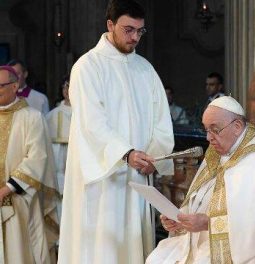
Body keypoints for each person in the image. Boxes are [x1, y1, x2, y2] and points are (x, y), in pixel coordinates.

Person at [57, 0, 174, 263]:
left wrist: (155, 157)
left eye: (140, 31)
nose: (135, 37)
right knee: (102, 247)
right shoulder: (88, 66)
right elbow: (92, 121)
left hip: (139, 174)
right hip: (104, 178)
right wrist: (126, 153)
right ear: (110, 25)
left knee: (133, 244)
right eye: (128, 29)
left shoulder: (145, 69)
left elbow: (162, 122)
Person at [147, 96, 255, 263]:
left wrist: (208, 224)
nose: (208, 138)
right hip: (199, 240)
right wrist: (181, 219)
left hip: (237, 247)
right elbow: (201, 198)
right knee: (156, 259)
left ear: (237, 126)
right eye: (206, 130)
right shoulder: (217, 152)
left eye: (215, 129)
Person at [0, 65, 58, 264]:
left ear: (15, 86)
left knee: (19, 252)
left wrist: (6, 189)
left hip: (19, 199)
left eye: (0, 85)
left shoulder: (32, 118)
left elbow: (37, 158)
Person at [45, 75, 71, 218]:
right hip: (59, 163)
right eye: (65, 86)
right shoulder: (52, 115)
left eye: (71, 86)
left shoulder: (86, 114)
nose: (67, 90)